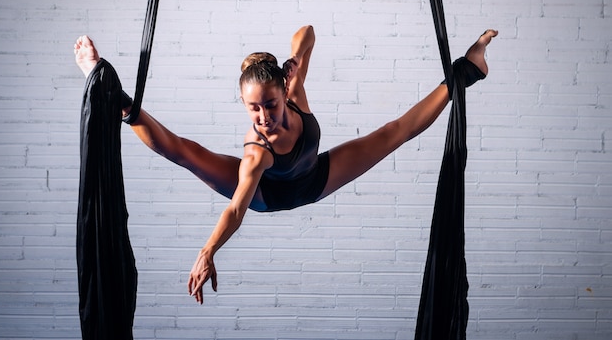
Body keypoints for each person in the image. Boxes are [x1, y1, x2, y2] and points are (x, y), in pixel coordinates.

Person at [74, 26, 497, 304]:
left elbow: (308, 33)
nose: (263, 117)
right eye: (253, 109)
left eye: (270, 105)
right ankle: (119, 100)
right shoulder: (256, 151)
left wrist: (298, 56)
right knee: (184, 152)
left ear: (285, 91)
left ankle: (466, 71)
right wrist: (207, 251)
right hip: (264, 194)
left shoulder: (295, 88)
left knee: (394, 132)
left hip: (314, 178)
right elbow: (236, 208)